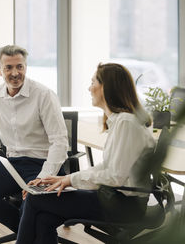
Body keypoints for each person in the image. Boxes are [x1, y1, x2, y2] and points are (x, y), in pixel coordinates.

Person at [16, 63, 156, 244]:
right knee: (44, 219)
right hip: (115, 197)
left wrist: (70, 180)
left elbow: (115, 177)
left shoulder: (126, 123)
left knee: (35, 200)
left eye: (93, 82)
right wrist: (64, 179)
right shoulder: (121, 121)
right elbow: (107, 167)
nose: (89, 88)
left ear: (106, 87)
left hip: (125, 205)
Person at [0, 45, 68, 233]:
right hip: (11, 165)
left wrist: (42, 178)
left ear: (25, 67)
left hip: (43, 165)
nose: (15, 73)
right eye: (9, 68)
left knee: (32, 206)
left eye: (20, 67)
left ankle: (29, 231)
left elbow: (60, 142)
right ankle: (30, 232)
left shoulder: (44, 95)